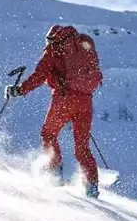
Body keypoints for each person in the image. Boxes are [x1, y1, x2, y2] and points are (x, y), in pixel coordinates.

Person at [6, 25, 102, 198]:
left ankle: (55, 176)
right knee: (82, 148)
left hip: (64, 99)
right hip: (86, 101)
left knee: (48, 134)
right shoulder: (83, 44)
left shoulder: (53, 50)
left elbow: (39, 76)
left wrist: (20, 90)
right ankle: (92, 187)